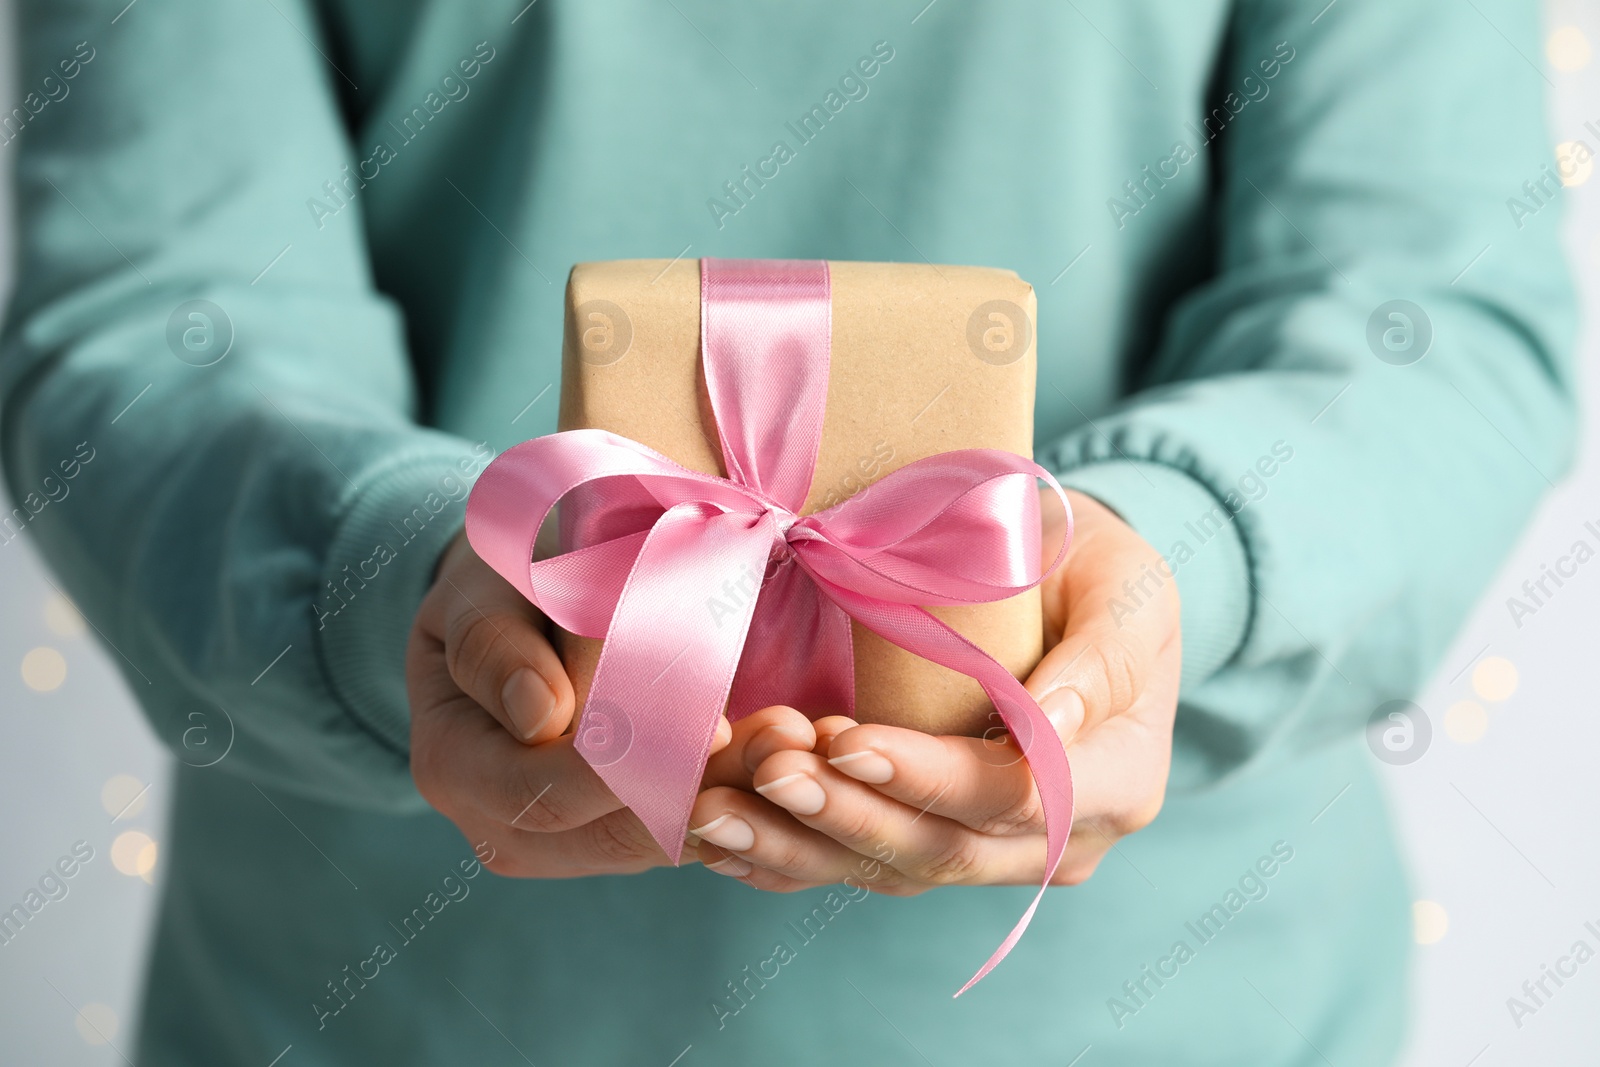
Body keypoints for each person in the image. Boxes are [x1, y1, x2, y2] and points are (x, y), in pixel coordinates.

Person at [0, 1, 1574, 1063]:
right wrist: (391, 570)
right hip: (387, 1008)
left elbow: (1432, 311)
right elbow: (153, 313)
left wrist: (1184, 557)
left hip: (1176, 1018)